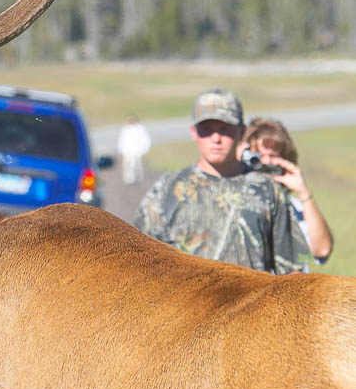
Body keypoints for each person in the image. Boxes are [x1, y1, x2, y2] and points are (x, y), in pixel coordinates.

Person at [134, 89, 311, 274]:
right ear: (194, 132)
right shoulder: (167, 188)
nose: (216, 138)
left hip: (249, 302)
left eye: (225, 130)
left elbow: (293, 272)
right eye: (206, 130)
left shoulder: (267, 191)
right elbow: (138, 258)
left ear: (241, 132)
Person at [238, 117, 333, 264]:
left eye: (273, 156)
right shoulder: (230, 202)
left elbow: (322, 250)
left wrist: (304, 194)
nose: (266, 162)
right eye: (257, 156)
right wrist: (235, 168)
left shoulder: (295, 208)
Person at [117, 114, 151, 185]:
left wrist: (144, 149)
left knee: (137, 165)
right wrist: (121, 149)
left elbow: (145, 140)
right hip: (127, 151)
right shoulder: (125, 129)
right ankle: (129, 179)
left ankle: (138, 178)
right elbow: (121, 140)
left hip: (137, 151)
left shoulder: (140, 129)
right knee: (127, 166)